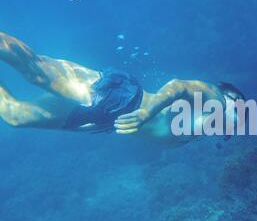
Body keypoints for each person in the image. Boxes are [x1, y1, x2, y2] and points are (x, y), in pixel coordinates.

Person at [0, 32, 244, 145]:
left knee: (14, 117)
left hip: (106, 120)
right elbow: (178, 85)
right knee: (37, 72)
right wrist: (148, 113)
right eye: (240, 111)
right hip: (122, 99)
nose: (238, 122)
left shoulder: (201, 129)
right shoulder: (216, 100)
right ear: (230, 97)